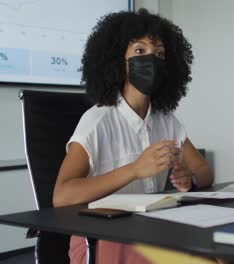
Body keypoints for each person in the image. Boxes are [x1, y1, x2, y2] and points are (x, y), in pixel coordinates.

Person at [52, 9, 213, 263]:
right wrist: (135, 169)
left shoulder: (166, 120)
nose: (151, 59)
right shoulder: (97, 121)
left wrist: (189, 179)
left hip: (152, 230)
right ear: (117, 61)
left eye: (159, 53)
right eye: (140, 51)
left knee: (222, 254)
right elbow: (62, 196)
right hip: (101, 237)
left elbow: (204, 171)